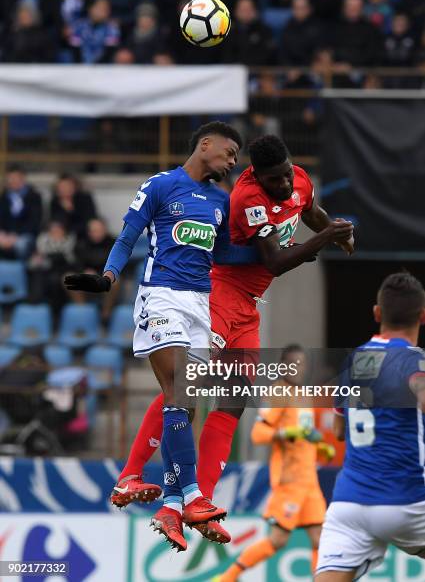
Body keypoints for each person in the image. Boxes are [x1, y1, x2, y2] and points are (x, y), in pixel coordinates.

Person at [106, 134, 354, 542]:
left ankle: (195, 502)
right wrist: (322, 241)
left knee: (234, 400)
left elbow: (309, 208)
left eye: (288, 175)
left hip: (249, 308)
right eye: (275, 180)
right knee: (183, 388)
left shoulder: (299, 181)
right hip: (220, 296)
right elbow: (273, 261)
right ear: (257, 175)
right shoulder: (246, 197)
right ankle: (132, 475)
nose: (285, 185)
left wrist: (334, 230)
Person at [64, 121, 263, 552]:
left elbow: (227, 254)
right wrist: (108, 277)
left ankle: (170, 496)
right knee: (177, 392)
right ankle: (192, 494)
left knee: (186, 404)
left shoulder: (220, 201)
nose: (232, 162)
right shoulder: (160, 185)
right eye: (229, 153)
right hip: (162, 298)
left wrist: (278, 248)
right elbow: (127, 236)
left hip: (199, 304)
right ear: (204, 145)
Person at [315, 272, 425, 581]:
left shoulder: (354, 362)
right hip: (407, 500)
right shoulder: (414, 361)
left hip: (350, 503)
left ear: (377, 313)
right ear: (422, 316)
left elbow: (339, 431)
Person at [217, 345, 335, 581]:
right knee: (278, 540)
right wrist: (289, 432)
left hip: (309, 481)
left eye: (303, 364)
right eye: (295, 364)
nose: (300, 370)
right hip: (289, 481)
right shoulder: (277, 393)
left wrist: (320, 446)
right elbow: (258, 434)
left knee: (319, 539)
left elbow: (305, 434)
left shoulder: (304, 396)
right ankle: (228, 577)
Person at [0, 165, 42, 259]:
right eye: (10, 178)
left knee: (21, 245)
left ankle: (22, 271)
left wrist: (15, 235)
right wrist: (2, 234)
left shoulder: (34, 197)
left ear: (23, 178)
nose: (12, 181)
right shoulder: (4, 197)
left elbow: (34, 222)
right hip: (6, 235)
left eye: (15, 178)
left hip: (26, 234)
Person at [49, 173, 97, 240]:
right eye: (62, 187)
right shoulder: (56, 201)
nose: (65, 189)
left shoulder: (85, 198)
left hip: (83, 231)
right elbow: (55, 220)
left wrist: (71, 210)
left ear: (74, 186)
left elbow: (90, 219)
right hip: (64, 233)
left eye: (67, 186)